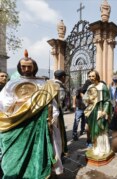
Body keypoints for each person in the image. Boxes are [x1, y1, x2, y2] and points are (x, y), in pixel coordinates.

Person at [0, 50, 63, 178]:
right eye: (23, 66)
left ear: (34, 67)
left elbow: (51, 104)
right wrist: (20, 103)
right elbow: (4, 104)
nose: (26, 69)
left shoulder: (44, 84)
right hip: (17, 126)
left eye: (29, 66)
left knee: (37, 154)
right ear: (19, 67)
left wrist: (53, 118)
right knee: (13, 157)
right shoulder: (11, 84)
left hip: (38, 126)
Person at [83, 70, 112, 156]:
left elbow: (107, 100)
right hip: (92, 111)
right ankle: (95, 147)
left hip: (100, 111)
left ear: (97, 76)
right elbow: (85, 98)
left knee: (100, 130)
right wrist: (87, 100)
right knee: (92, 130)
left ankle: (103, 149)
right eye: (90, 76)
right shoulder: (90, 87)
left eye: (93, 76)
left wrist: (105, 111)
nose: (91, 78)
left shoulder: (102, 86)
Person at [54, 70, 68, 155]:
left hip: (49, 112)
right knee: (59, 132)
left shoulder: (49, 84)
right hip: (57, 112)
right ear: (63, 77)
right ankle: (60, 151)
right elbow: (61, 100)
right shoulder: (60, 86)